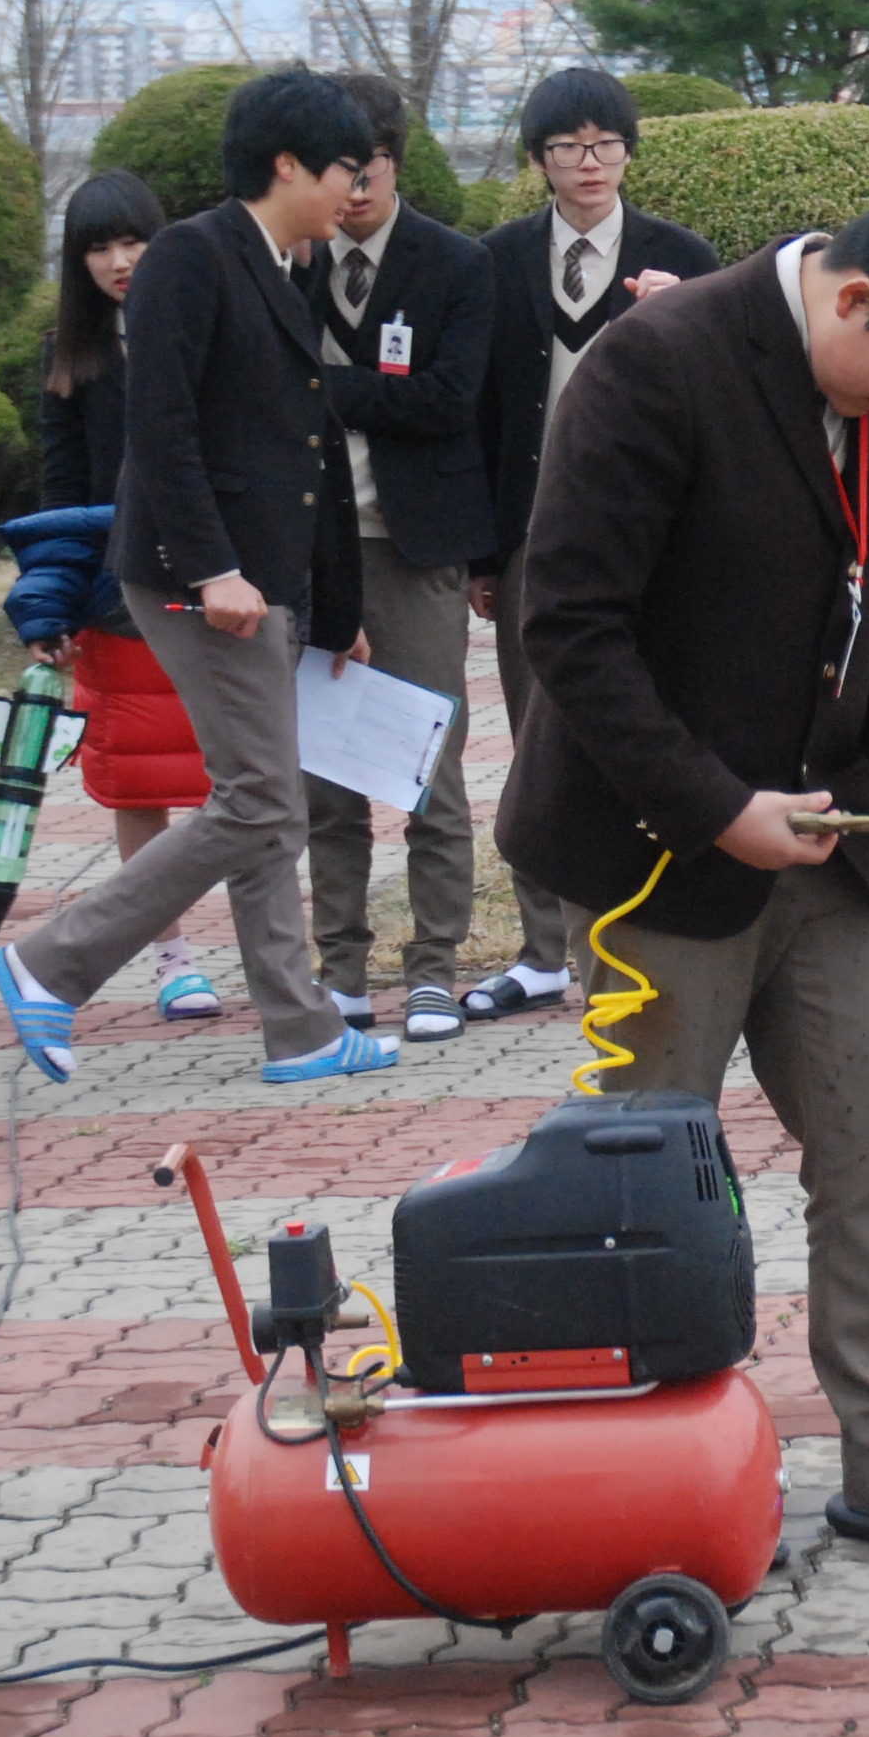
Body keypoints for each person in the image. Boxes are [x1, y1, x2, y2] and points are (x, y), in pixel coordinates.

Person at [496, 187, 869, 1566]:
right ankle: (649, 1480)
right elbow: (566, 622)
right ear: (851, 300)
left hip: (839, 856)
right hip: (653, 858)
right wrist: (711, 806)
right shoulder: (657, 364)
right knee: (649, 1185)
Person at [0, 68, 391, 1085]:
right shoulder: (189, 257)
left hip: (264, 582)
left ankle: (299, 1032)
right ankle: (50, 963)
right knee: (261, 802)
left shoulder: (278, 263)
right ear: (288, 163)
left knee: (258, 803)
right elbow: (157, 430)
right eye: (344, 168)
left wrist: (335, 609)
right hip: (190, 579)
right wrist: (213, 568)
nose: (355, 188)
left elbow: (303, 450)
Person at [469, 67, 718, 1025]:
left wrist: (675, 308)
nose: (589, 163)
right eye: (568, 146)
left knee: (647, 720)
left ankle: (643, 925)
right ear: (538, 159)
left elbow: (728, 386)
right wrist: (484, 554)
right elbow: (483, 415)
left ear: (628, 151)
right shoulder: (496, 263)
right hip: (534, 536)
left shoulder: (682, 258)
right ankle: (543, 948)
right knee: (538, 735)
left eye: (606, 143)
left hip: (652, 536)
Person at [301, 71, 499, 1046]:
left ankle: (433, 968)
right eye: (339, 172)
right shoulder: (286, 265)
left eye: (369, 169)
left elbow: (449, 402)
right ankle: (338, 968)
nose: (354, 192)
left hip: (417, 550)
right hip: (313, 554)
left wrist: (326, 388)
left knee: (430, 768)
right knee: (324, 777)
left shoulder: (453, 265)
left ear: (395, 164)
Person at [31, 169, 222, 1020]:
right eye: (98, 248)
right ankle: (173, 957)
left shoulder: (208, 325)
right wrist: (51, 601)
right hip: (116, 598)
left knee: (239, 782)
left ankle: (273, 950)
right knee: (141, 783)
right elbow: (58, 489)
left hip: (221, 584)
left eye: (131, 241)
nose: (118, 262)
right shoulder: (73, 354)